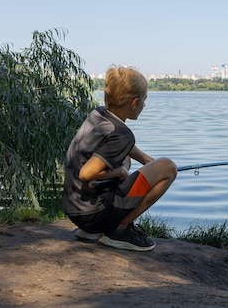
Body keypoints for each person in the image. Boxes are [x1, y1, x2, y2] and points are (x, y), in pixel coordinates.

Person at [62, 66, 177, 251]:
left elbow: (119, 146)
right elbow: (86, 173)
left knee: (126, 160)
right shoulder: (123, 134)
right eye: (144, 100)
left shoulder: (98, 115)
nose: (144, 105)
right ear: (134, 102)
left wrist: (148, 162)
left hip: (76, 211)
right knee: (169, 167)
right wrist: (120, 172)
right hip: (94, 215)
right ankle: (120, 230)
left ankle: (92, 231)